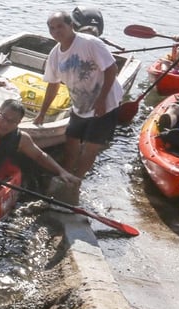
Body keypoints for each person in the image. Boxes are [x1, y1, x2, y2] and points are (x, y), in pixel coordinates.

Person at [34, 12, 123, 201]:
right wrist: (42, 112)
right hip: (80, 105)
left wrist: (101, 100)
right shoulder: (55, 54)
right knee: (71, 139)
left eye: (60, 26)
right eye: (52, 28)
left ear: (70, 25)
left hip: (105, 103)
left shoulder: (89, 43)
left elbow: (111, 69)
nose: (56, 31)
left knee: (91, 146)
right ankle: (66, 173)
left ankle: (77, 181)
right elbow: (53, 84)